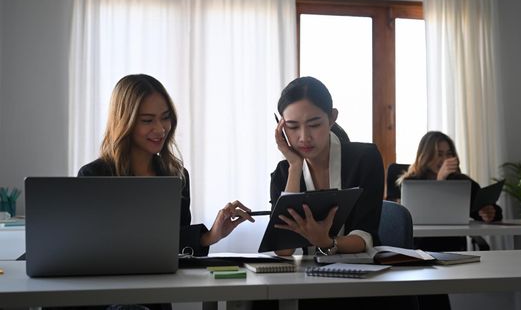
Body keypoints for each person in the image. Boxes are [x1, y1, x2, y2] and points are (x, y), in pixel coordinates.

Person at [77, 74, 254, 310]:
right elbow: (85, 251)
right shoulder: (94, 176)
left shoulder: (176, 176)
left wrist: (212, 235)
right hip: (105, 295)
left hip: (154, 295)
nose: (160, 129)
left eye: (165, 118)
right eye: (147, 120)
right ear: (125, 122)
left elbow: (174, 245)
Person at [266, 76, 417, 309]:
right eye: (293, 127)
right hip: (306, 284)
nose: (304, 137)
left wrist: (327, 242)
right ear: (281, 127)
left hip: (363, 282)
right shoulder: (283, 172)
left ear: (332, 118)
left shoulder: (365, 159)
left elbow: (364, 235)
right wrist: (295, 167)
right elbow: (283, 249)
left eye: (314, 124)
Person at [397, 130, 503, 310]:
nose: (444, 159)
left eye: (448, 154)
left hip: (452, 249)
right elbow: (419, 216)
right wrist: (440, 181)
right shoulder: (411, 182)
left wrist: (490, 212)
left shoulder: (461, 181)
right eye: (439, 154)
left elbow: (484, 206)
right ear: (426, 155)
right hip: (420, 250)